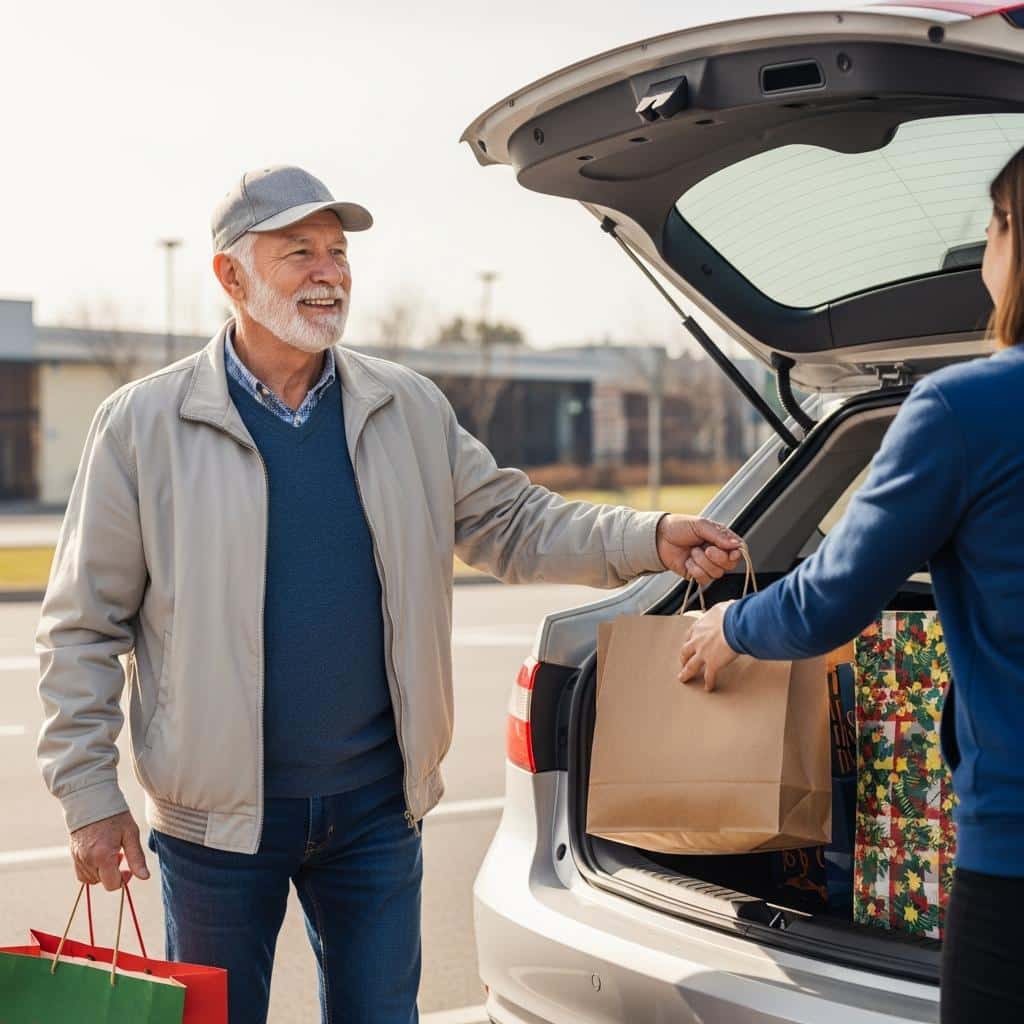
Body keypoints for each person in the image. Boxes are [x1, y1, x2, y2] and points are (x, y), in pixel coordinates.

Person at [35, 164, 743, 1024]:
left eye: (337, 252)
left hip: (374, 816)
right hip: (213, 831)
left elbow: (513, 521)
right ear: (229, 275)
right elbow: (80, 627)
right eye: (298, 252)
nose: (328, 272)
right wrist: (89, 796)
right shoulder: (144, 425)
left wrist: (647, 537)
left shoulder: (406, 408)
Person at [678, 147, 1024, 1023]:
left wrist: (729, 628)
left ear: (1012, 241)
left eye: (989, 228)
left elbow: (830, 597)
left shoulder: (964, 410)